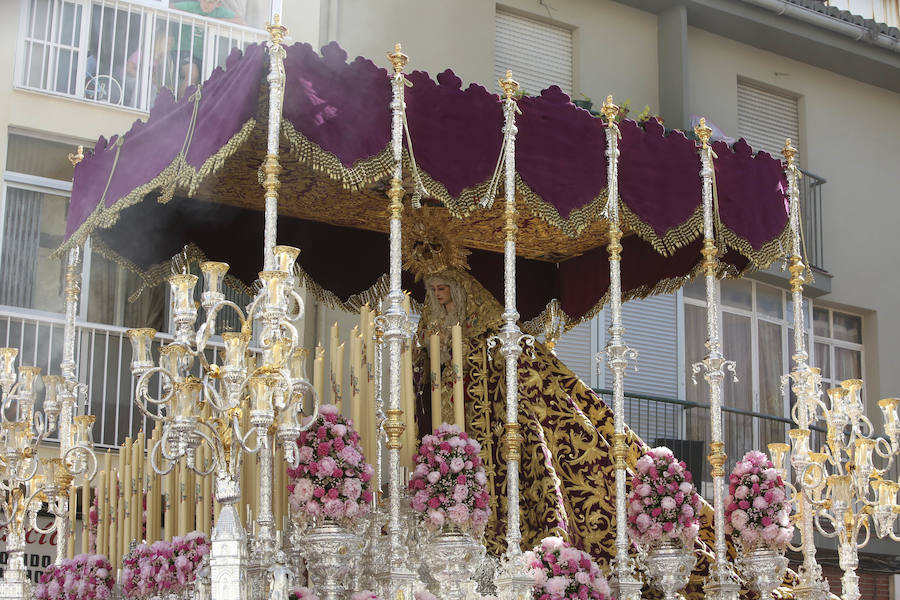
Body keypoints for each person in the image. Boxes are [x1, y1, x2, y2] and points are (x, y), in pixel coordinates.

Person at [411, 266, 727, 599]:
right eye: (432, 290)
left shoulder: (493, 337)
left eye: (442, 287)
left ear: (461, 290)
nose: (437, 294)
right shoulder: (437, 331)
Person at [169, 0, 244, 98]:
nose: (206, 5)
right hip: (184, 51)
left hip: (204, 55)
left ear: (218, 4)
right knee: (192, 72)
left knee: (213, 79)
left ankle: (194, 109)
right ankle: (180, 108)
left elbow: (240, 21)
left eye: (211, 2)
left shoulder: (219, 12)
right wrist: (192, 17)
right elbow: (169, 7)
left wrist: (214, 21)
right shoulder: (191, 6)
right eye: (204, 0)